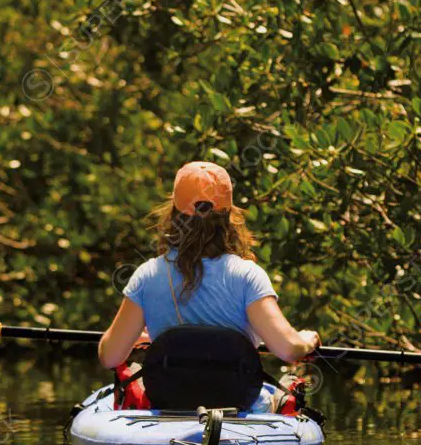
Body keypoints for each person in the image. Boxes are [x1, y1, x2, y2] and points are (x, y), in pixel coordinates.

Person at [98, 162, 320, 402]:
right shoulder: (247, 276)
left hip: (169, 398)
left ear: (173, 214)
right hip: (236, 400)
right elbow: (288, 349)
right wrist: (306, 341)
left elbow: (110, 356)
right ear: (228, 216)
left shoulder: (147, 275)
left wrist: (145, 336)